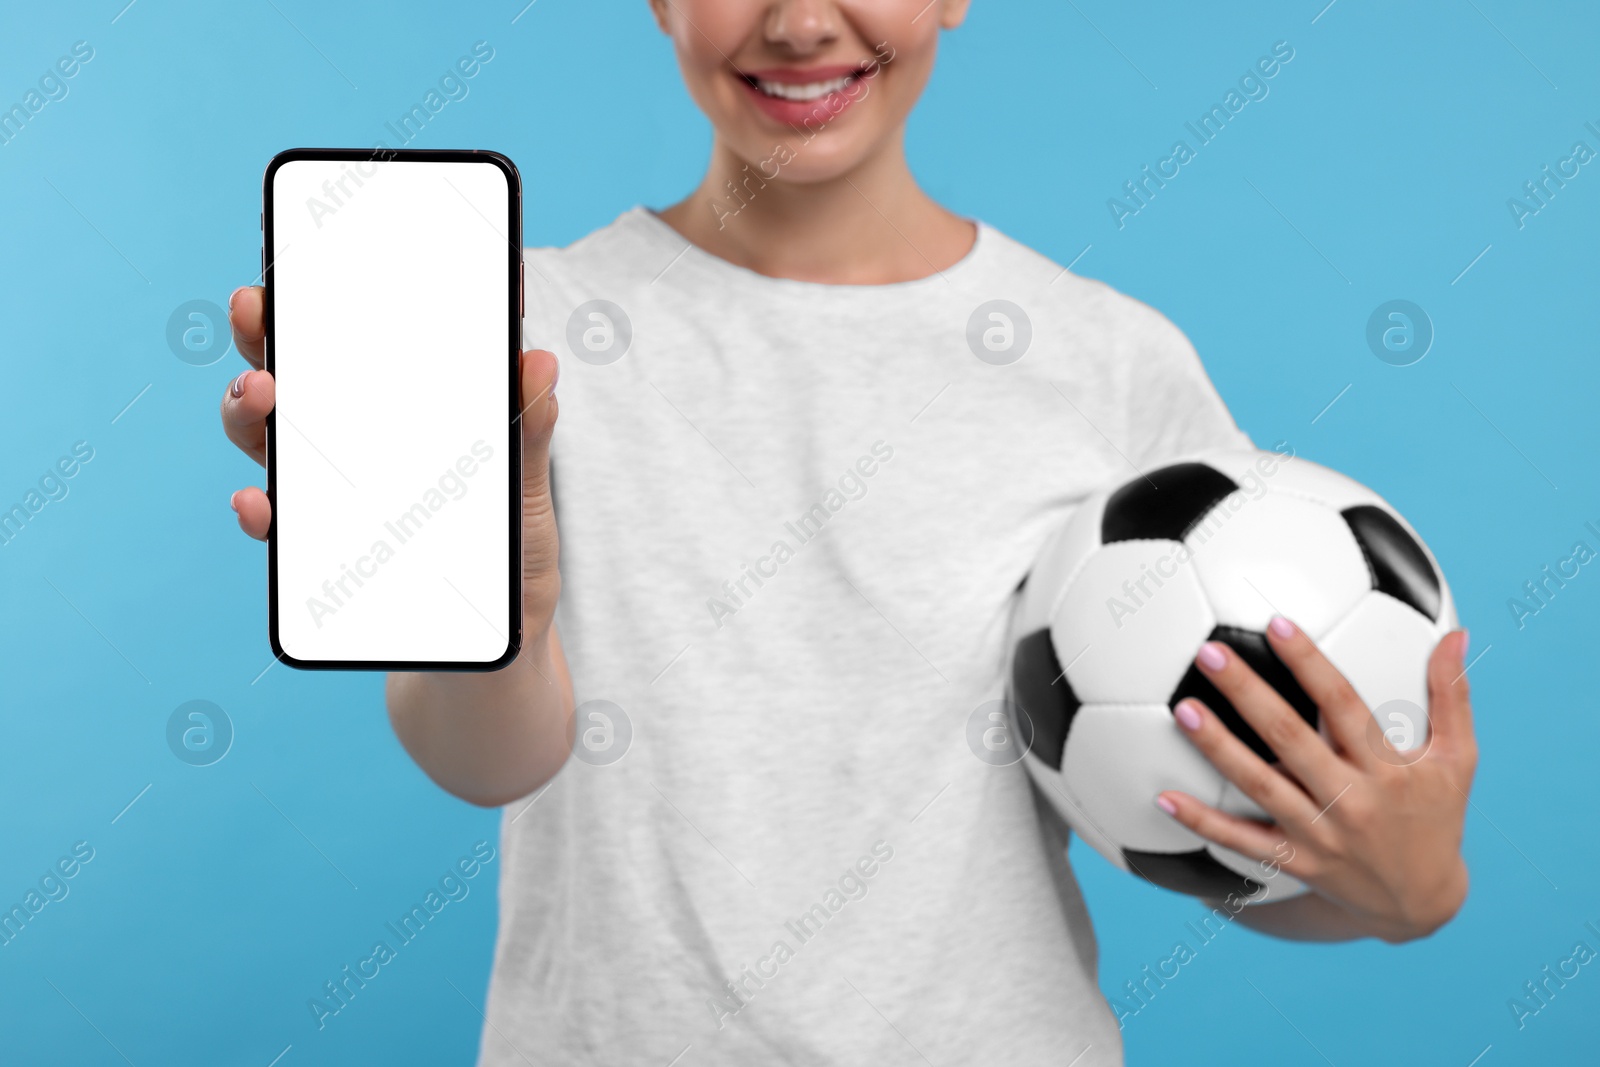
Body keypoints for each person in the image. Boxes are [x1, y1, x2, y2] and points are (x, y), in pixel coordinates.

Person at [220, 2, 1478, 1063]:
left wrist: (1395, 889)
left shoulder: (1109, 363)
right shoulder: (523, 335)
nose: (803, 19)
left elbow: (1209, 817)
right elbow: (486, 761)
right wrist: (510, 617)